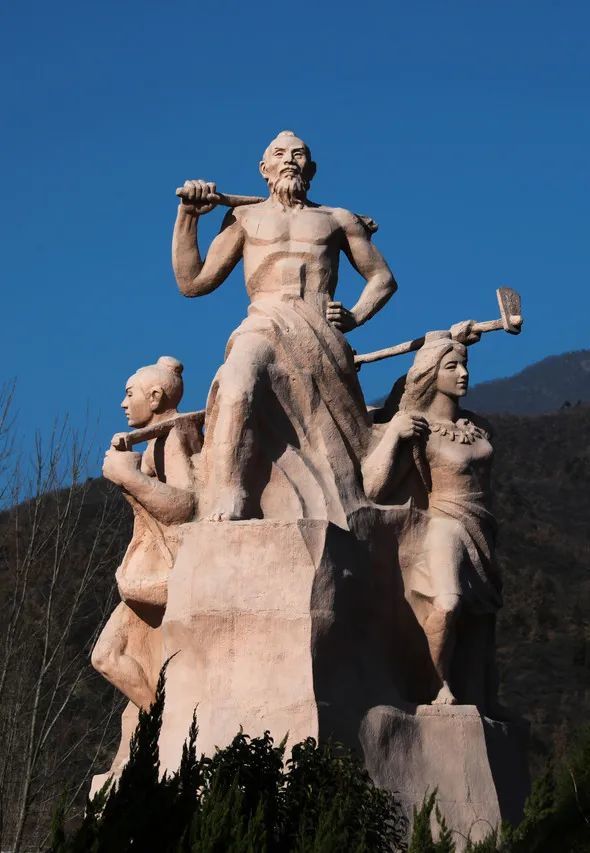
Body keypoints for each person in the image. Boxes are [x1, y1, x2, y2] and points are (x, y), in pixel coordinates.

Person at [171, 130, 397, 523]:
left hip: (319, 335)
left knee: (335, 443)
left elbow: (382, 278)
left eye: (298, 153)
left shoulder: (337, 219)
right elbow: (193, 282)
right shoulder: (243, 217)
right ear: (264, 168)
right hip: (263, 323)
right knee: (238, 381)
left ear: (312, 168)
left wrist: (356, 315)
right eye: (279, 153)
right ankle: (230, 489)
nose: (289, 159)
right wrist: (188, 216)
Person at [363, 332, 502, 706]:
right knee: (448, 604)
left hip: (482, 526)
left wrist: (452, 338)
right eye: (452, 366)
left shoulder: (478, 426)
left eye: (464, 366)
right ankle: (434, 684)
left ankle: (481, 695)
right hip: (443, 525)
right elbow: (373, 488)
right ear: (430, 374)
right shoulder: (418, 428)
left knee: (480, 617)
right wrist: (393, 435)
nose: (463, 374)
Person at [91, 356, 196, 709]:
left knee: (107, 655)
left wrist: (128, 477)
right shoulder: (154, 442)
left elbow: (185, 506)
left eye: (129, 394)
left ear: (154, 397)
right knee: (106, 656)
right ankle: (160, 727)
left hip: (166, 572)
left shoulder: (174, 437)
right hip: (146, 570)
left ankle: (166, 728)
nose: (123, 403)